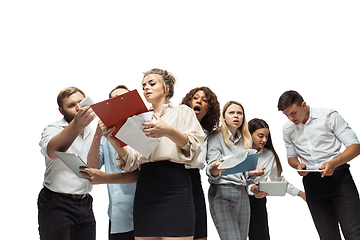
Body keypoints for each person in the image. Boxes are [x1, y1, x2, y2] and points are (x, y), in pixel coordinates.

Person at [99, 68, 205, 240]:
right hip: (146, 186)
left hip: (175, 185)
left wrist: (168, 131)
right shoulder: (139, 119)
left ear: (167, 88)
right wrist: (113, 140)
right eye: (143, 85)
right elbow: (132, 160)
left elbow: (194, 148)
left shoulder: (182, 112)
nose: (146, 88)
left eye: (152, 83)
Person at [278, 90, 360, 240]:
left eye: (293, 113)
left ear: (304, 105)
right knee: (327, 236)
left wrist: (333, 163)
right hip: (312, 183)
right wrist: (298, 165)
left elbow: (355, 146)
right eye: (286, 115)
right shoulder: (287, 128)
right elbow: (291, 157)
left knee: (353, 233)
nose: (291, 118)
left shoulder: (329, 116)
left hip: (340, 179)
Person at [80, 85, 139, 240]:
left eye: (123, 98)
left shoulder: (145, 129)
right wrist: (98, 135)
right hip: (117, 215)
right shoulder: (106, 135)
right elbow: (92, 166)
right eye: (113, 99)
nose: (118, 101)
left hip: (144, 213)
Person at [38, 86, 96, 240]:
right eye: (71, 105)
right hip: (56, 202)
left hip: (85, 203)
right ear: (61, 110)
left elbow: (96, 164)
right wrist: (77, 124)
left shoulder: (93, 131)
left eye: (81, 103)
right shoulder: (53, 129)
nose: (78, 108)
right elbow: (52, 151)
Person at [206, 101, 264, 240]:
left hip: (242, 194)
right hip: (222, 192)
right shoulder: (215, 137)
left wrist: (251, 175)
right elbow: (211, 170)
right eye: (231, 113)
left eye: (239, 113)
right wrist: (215, 167)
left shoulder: (245, 140)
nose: (236, 116)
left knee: (242, 238)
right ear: (224, 117)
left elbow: (243, 172)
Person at [247, 118, 306, 240]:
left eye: (267, 136)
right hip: (238, 199)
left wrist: (301, 194)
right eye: (260, 136)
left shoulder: (269, 154)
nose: (264, 140)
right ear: (249, 134)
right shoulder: (239, 151)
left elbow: (278, 180)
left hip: (258, 200)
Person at [181, 86, 221, 240]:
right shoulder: (177, 125)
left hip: (194, 181)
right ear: (189, 102)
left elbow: (205, 163)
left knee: (199, 231)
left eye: (204, 100)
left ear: (208, 109)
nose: (199, 101)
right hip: (176, 177)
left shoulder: (208, 134)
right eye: (195, 98)